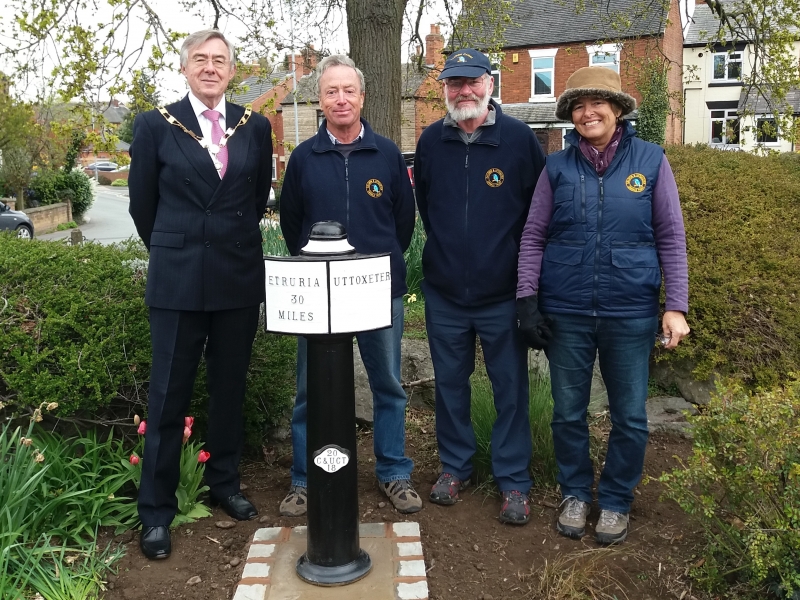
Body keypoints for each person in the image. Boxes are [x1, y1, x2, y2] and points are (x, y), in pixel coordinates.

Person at [516, 66, 690, 545]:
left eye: (597, 103)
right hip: (566, 312)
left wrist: (675, 304)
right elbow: (533, 237)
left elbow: (672, 237)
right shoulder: (557, 167)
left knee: (630, 416)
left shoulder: (651, 162)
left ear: (617, 109)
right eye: (577, 105)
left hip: (630, 312)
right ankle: (575, 492)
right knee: (567, 412)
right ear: (570, 115)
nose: (587, 112)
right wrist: (527, 300)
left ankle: (615, 499)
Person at [129, 29, 273, 560]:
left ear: (232, 70)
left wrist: (221, 244)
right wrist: (180, 247)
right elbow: (143, 206)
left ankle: (225, 484)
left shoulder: (254, 126)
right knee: (167, 396)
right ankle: (156, 512)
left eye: (220, 60)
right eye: (200, 60)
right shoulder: (154, 125)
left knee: (229, 386)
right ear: (185, 68)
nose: (210, 68)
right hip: (178, 279)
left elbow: (256, 198)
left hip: (236, 277)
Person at [279, 55, 420, 515]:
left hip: (378, 292)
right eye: (331, 91)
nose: (340, 99)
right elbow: (291, 225)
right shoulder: (302, 159)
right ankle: (304, 479)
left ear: (362, 96)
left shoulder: (387, 155)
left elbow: (403, 224)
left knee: (389, 386)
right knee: (309, 390)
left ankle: (394, 472)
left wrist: (373, 263)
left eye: (348, 90)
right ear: (320, 100)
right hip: (319, 297)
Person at [414, 48, 546, 525]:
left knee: (509, 389)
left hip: (502, 295)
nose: (463, 91)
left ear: (490, 84)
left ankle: (513, 481)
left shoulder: (519, 140)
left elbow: (537, 216)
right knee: (450, 386)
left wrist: (528, 287)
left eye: (472, 82)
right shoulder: (431, 142)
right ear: (445, 89)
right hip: (445, 294)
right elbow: (426, 207)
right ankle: (455, 467)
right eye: (454, 83)